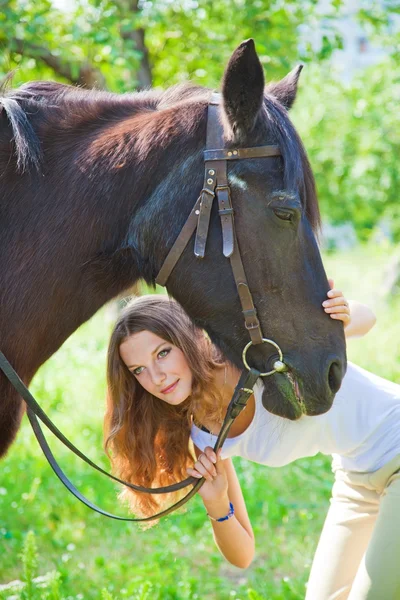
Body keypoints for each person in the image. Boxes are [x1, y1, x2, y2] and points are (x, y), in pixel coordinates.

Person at [104, 281, 400, 600]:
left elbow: (366, 318)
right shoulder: (205, 435)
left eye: (162, 353)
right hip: (356, 480)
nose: (156, 377)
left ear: (187, 339)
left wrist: (338, 317)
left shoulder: (252, 353)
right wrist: (216, 503)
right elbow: (242, 554)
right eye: (139, 370)